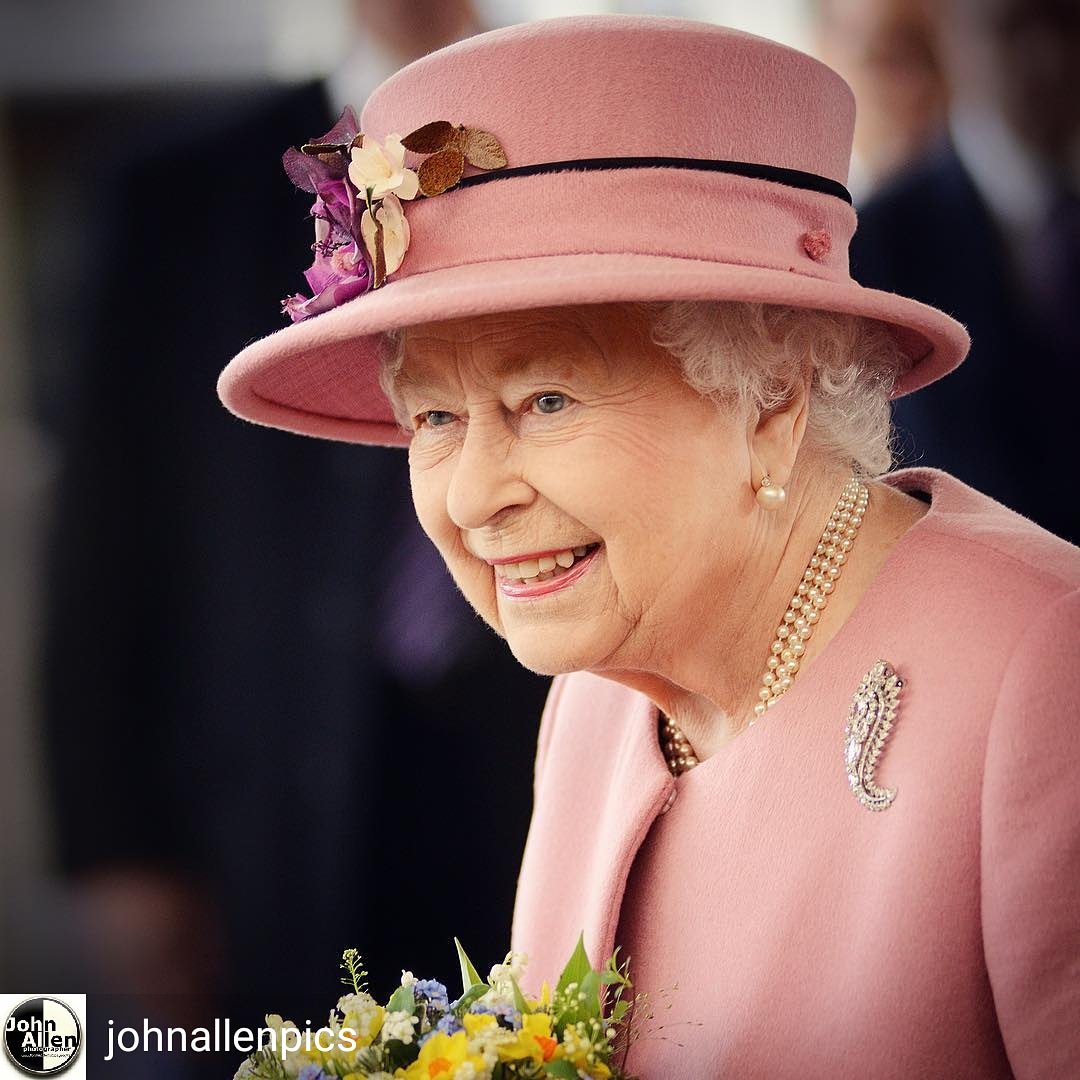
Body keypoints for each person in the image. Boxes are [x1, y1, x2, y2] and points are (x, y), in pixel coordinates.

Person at [217, 15, 1080, 1078]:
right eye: (434, 420)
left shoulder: (1046, 670)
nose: (475, 497)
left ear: (772, 396)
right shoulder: (594, 699)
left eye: (544, 398)